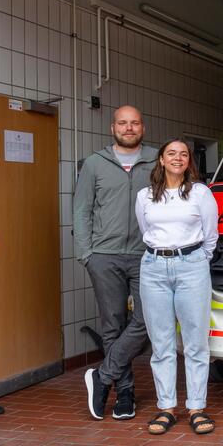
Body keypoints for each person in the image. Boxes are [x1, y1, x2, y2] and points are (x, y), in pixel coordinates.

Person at [74, 105, 157, 421]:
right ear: (112, 128)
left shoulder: (155, 161)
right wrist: (87, 254)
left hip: (144, 254)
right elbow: (81, 210)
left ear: (142, 128)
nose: (129, 128)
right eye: (123, 123)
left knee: (148, 320)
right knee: (113, 325)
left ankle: (102, 376)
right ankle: (125, 395)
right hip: (104, 256)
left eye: (135, 122)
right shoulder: (95, 164)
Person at [135, 139, 218, 435]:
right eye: (171, 153)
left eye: (183, 154)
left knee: (195, 341)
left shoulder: (200, 193)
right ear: (161, 160)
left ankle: (197, 407)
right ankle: (166, 407)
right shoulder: (145, 196)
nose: (178, 158)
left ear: (189, 162)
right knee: (161, 343)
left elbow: (211, 236)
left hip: (191, 264)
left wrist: (195, 260)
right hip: (154, 267)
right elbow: (147, 231)